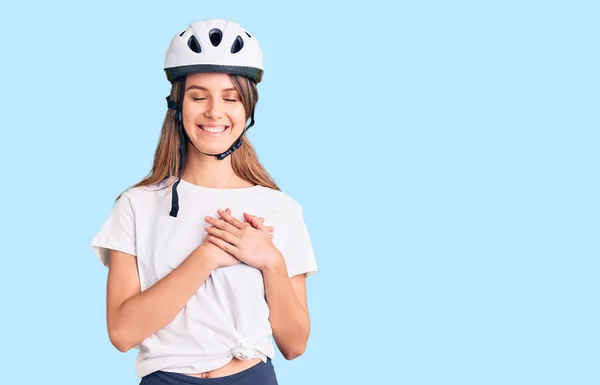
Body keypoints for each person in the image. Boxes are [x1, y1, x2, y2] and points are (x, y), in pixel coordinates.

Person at [90, 18, 318, 384]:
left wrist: (271, 262)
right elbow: (122, 333)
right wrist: (209, 255)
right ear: (177, 106)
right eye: (198, 97)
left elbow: (295, 345)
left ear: (248, 110)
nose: (214, 111)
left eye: (230, 98)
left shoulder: (280, 209)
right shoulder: (136, 206)